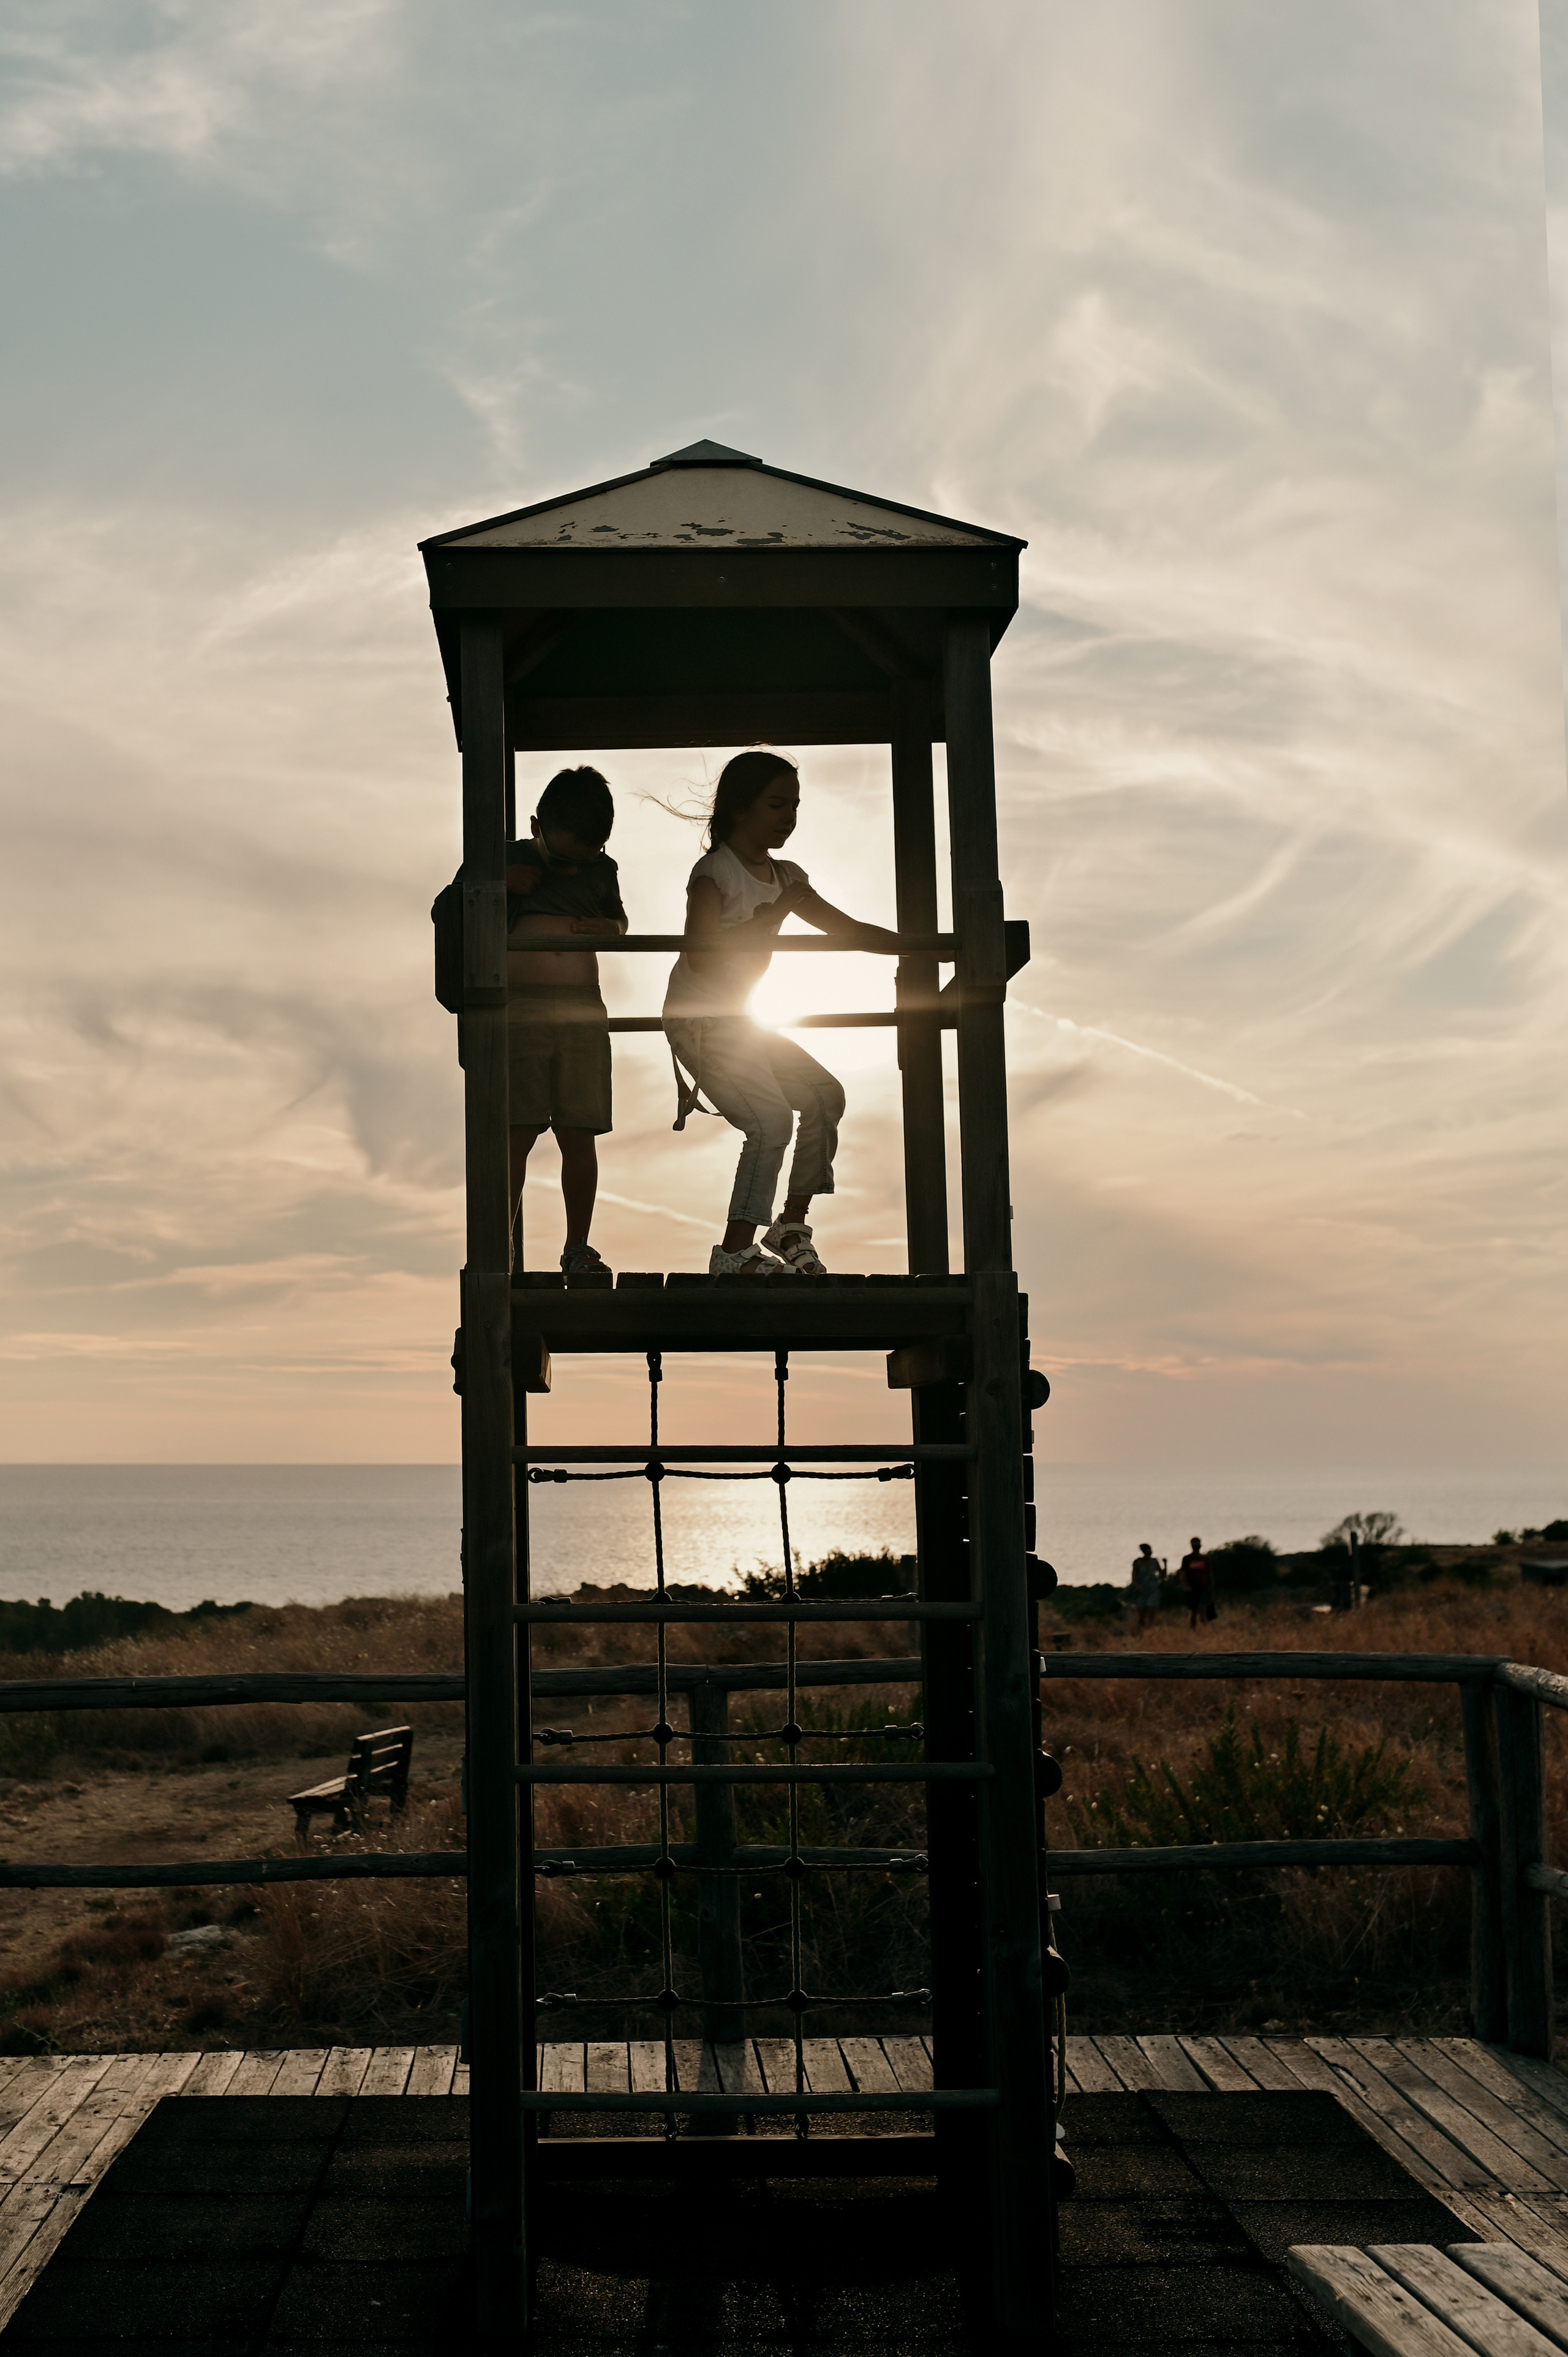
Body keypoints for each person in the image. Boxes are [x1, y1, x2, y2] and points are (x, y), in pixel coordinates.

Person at [662, 747, 899, 1275]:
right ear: (740, 808)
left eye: (795, 806)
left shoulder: (787, 877)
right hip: (700, 1021)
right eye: (776, 805)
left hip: (741, 1023)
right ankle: (732, 1254)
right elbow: (701, 955)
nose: (789, 817)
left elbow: (847, 929)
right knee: (770, 1122)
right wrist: (772, 915)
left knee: (824, 1094)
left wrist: (921, 948)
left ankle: (790, 1223)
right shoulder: (714, 873)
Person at [505, 765, 627, 1276]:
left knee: (579, 1131)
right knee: (516, 1131)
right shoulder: (507, 859)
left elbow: (619, 922)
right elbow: (453, 904)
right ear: (536, 828)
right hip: (521, 1009)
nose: (574, 871)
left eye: (585, 860)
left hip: (582, 1009)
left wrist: (609, 928)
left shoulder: (603, 871)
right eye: (562, 861)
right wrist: (499, 883)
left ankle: (577, 1246)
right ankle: (501, 1247)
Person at [1180, 1536, 1216, 1630]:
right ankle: (1193, 1630)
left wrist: (1212, 1589)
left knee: (1202, 1611)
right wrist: (1186, 1586)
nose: (1196, 1548)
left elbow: (1210, 1575)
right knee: (1193, 1612)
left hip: (1204, 1588)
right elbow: (1183, 1574)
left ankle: (1206, 1630)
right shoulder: (1187, 1559)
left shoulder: (1206, 1559)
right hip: (1192, 1589)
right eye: (1194, 1546)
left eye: (1197, 1546)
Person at [1130, 1542, 1163, 1634]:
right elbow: (1134, 1578)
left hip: (1153, 1590)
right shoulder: (1137, 1562)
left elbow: (1162, 1575)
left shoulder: (1155, 1562)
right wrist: (1138, 1588)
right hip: (1141, 1590)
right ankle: (1141, 1631)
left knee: (1152, 1611)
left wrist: (1165, 1564)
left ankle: (1151, 1631)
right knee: (1142, 1615)